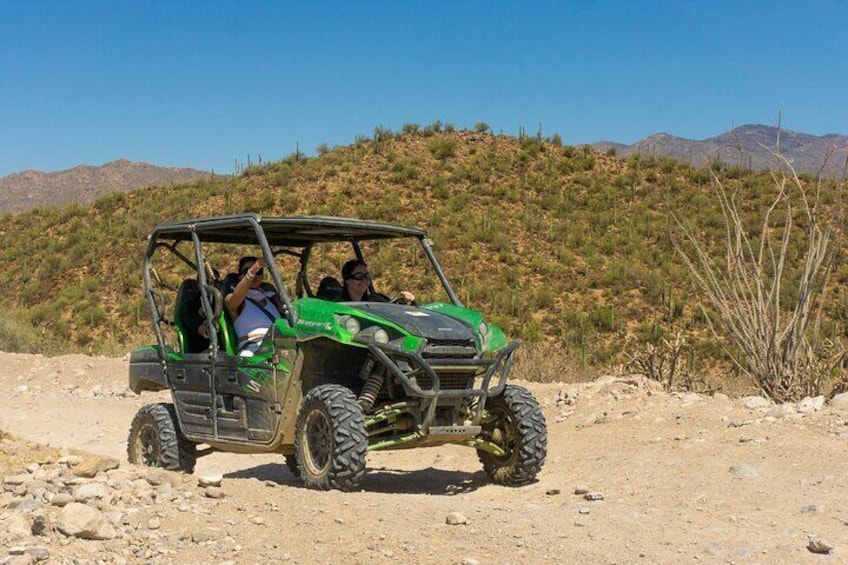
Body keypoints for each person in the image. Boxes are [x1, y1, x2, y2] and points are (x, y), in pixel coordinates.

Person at [225, 256, 283, 355]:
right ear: (240, 276)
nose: (255, 275)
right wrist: (252, 272)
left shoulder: (271, 297)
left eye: (259, 272)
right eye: (247, 270)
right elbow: (234, 300)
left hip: (280, 346)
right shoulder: (233, 298)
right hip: (252, 348)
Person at [341, 259, 415, 304]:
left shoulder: (376, 300)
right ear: (347, 279)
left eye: (367, 276)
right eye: (359, 276)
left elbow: (390, 310)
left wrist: (403, 301)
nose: (364, 280)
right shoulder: (338, 304)